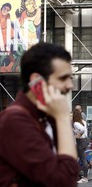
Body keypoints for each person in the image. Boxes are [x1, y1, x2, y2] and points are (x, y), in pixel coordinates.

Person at [0, 43, 79, 186]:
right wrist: (63, 118)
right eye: (63, 78)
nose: (70, 85)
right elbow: (64, 182)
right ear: (37, 80)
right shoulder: (15, 121)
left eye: (70, 78)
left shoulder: (47, 116)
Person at [72, 109, 89, 184]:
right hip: (85, 140)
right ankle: (79, 174)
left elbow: (82, 130)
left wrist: (79, 135)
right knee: (80, 158)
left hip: (81, 141)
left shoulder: (76, 123)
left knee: (82, 159)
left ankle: (85, 177)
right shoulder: (83, 122)